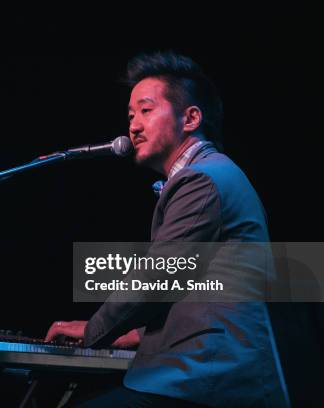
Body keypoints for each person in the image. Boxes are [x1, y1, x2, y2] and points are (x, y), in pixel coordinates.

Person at [45, 51, 289, 407]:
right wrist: (136, 333)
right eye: (130, 115)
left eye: (146, 110)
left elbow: (157, 278)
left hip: (210, 379)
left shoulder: (201, 180)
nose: (133, 126)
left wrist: (93, 330)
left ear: (190, 118)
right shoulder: (212, 174)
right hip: (207, 373)